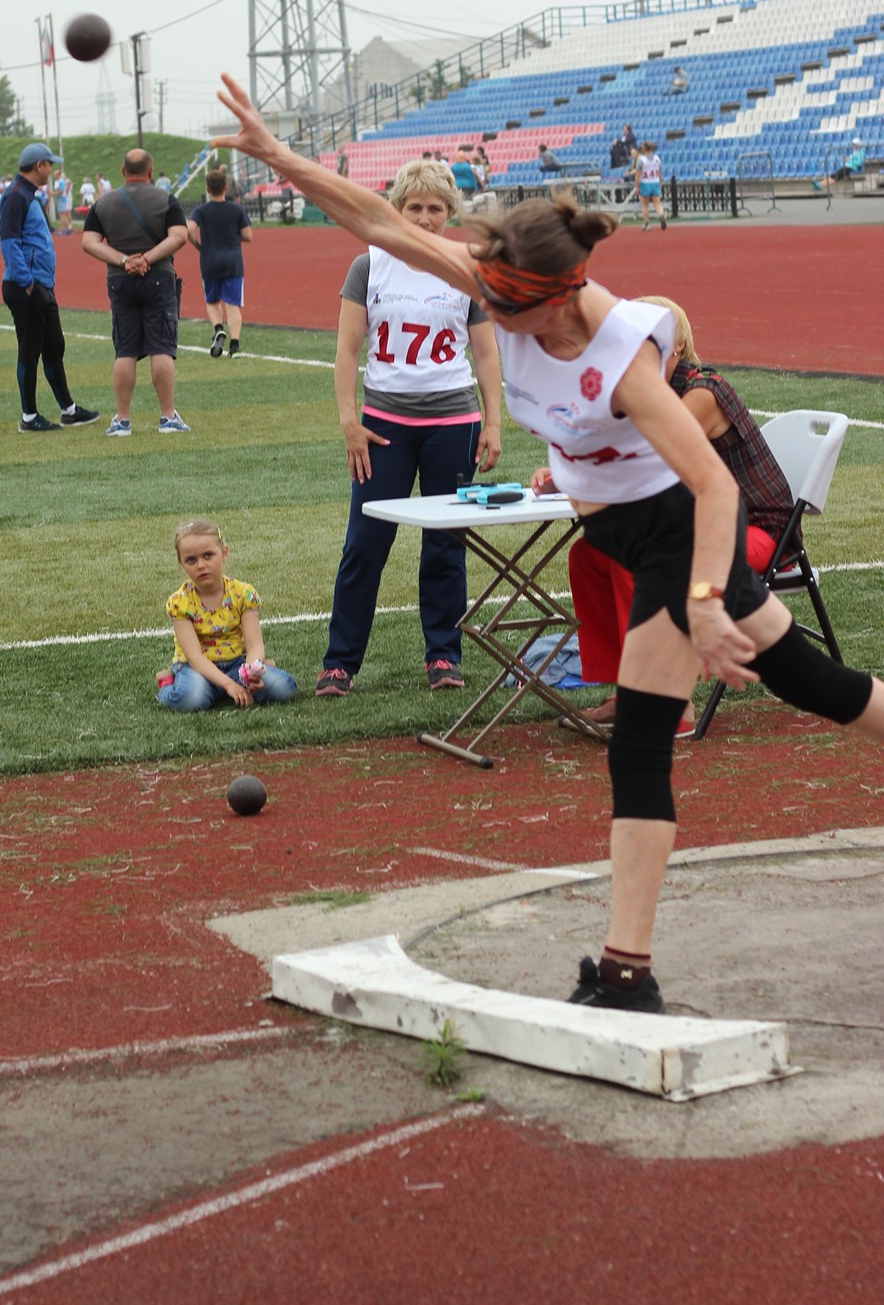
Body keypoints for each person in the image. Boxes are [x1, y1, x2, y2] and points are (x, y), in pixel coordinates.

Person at [213, 69, 884, 1013]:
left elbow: (713, 481)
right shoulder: (501, 286)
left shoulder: (625, 358)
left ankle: (624, 974)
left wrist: (700, 601)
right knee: (811, 681)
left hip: (679, 533)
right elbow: (380, 223)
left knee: (640, 744)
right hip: (617, 531)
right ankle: (628, 967)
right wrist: (280, 158)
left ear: (559, 300)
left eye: (508, 309)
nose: (490, 316)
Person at [546, 296, 796, 737]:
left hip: (755, 532)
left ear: (674, 346)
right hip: (694, 528)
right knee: (590, 554)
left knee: (636, 560)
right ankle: (629, 688)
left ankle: (671, 704)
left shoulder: (702, 392)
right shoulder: (643, 394)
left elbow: (645, 460)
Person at [315, 157, 502, 698]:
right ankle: (340, 663)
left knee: (445, 545)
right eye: (414, 207)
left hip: (454, 423)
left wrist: (494, 421)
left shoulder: (468, 267)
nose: (424, 218)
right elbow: (348, 350)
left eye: (436, 209)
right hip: (383, 427)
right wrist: (349, 421)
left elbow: (487, 356)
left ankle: (444, 655)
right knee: (365, 543)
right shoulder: (368, 266)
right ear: (397, 208)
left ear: (450, 213)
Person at [80, 147, 191, 436]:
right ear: (151, 171)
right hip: (159, 279)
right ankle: (167, 416)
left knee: (125, 351)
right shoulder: (167, 200)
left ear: (122, 171)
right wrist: (148, 259)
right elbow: (180, 236)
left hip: (120, 280)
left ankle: (122, 419)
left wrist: (124, 260)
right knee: (162, 348)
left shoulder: (103, 204)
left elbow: (89, 242)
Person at [0, 143, 100, 434]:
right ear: (39, 165)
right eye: (50, 165)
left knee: (54, 347)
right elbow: (10, 244)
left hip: (40, 286)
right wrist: (28, 284)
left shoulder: (29, 195)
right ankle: (29, 417)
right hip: (26, 287)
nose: (52, 170)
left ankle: (68, 410)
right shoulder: (15, 196)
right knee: (29, 352)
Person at [156, 518, 297, 712]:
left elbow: (254, 644)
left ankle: (250, 674)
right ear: (181, 563)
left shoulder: (243, 593)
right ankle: (167, 683)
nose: (201, 565)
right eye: (191, 560)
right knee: (190, 700)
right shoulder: (180, 602)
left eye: (208, 555)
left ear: (224, 553)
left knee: (283, 689)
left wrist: (251, 673)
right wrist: (229, 684)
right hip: (197, 668)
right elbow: (195, 657)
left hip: (238, 664)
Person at [188, 167, 252, 358]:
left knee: (212, 300)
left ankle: (218, 329)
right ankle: (235, 346)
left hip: (209, 259)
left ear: (208, 189)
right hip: (232, 260)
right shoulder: (236, 209)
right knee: (232, 305)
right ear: (225, 188)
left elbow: (188, 229)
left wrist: (198, 245)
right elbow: (248, 236)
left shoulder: (200, 210)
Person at [634, 142, 666, 231]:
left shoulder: (641, 160)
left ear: (644, 148)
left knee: (645, 205)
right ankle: (661, 215)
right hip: (655, 182)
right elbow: (659, 171)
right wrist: (660, 181)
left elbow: (637, 175)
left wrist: (636, 186)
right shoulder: (657, 158)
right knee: (657, 203)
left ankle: (647, 224)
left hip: (645, 183)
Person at [53, 168, 73, 235]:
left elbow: (61, 191)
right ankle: (67, 229)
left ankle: (64, 229)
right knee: (62, 214)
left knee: (61, 214)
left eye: (55, 174)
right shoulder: (60, 181)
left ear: (57, 175)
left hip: (61, 198)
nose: (53, 175)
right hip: (61, 198)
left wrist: (53, 194)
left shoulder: (60, 181)